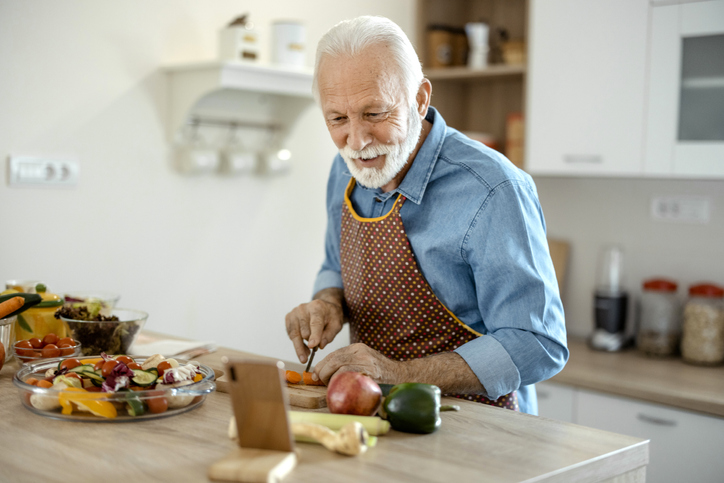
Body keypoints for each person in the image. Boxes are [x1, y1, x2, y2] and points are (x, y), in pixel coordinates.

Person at [284, 16, 567, 415]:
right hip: (377, 419)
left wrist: (396, 373)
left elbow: (539, 344)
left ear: (419, 98)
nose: (358, 141)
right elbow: (334, 264)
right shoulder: (345, 169)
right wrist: (328, 302)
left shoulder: (493, 189)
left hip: (480, 430)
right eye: (337, 119)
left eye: (375, 113)